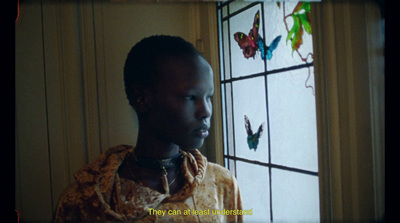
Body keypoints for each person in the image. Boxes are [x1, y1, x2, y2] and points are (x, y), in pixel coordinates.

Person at [53, 35, 243, 222]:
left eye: (208, 97)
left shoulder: (221, 184)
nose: (206, 111)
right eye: (190, 97)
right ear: (141, 99)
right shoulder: (83, 202)